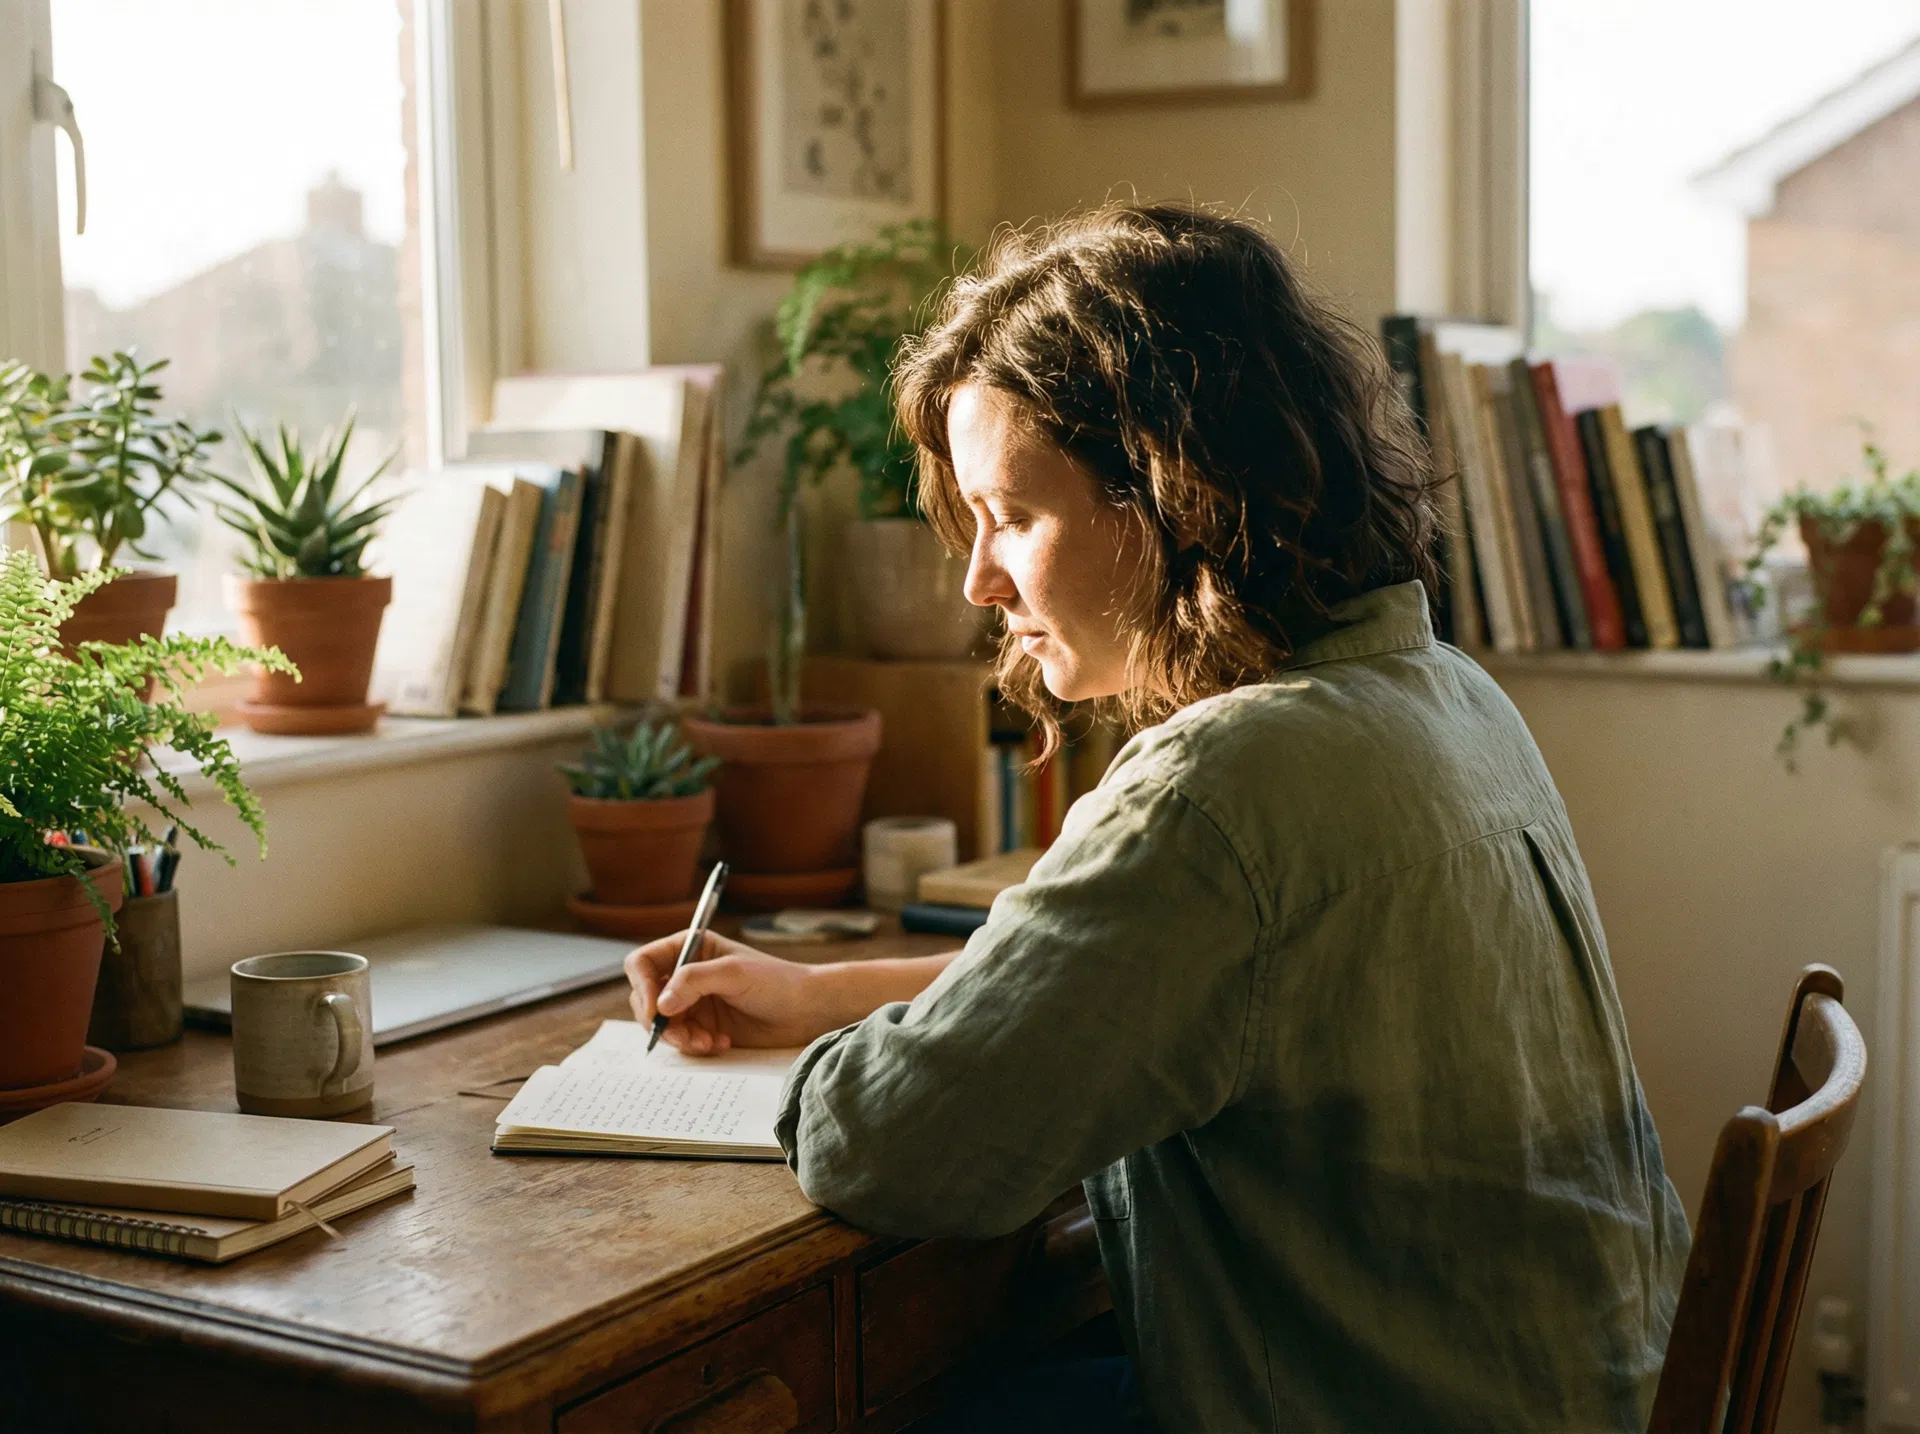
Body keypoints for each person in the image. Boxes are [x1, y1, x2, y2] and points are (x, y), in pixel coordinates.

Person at [626, 204, 1690, 1432]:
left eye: (1011, 516)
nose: (978, 578)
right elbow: (1201, 984)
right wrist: (826, 992)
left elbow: (891, 1146)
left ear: (1171, 493)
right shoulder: (1443, 693)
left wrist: (821, 1063)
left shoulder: (1224, 786)